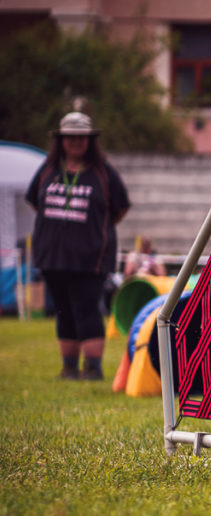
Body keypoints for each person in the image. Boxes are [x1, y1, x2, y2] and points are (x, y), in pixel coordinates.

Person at [25, 111, 131, 380]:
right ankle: (69, 366)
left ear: (90, 141)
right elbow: (34, 200)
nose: (75, 142)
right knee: (63, 309)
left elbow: (119, 208)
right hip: (53, 256)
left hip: (90, 259)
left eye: (81, 137)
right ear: (60, 140)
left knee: (87, 308)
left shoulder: (103, 173)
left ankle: (92, 368)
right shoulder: (48, 170)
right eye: (70, 137)